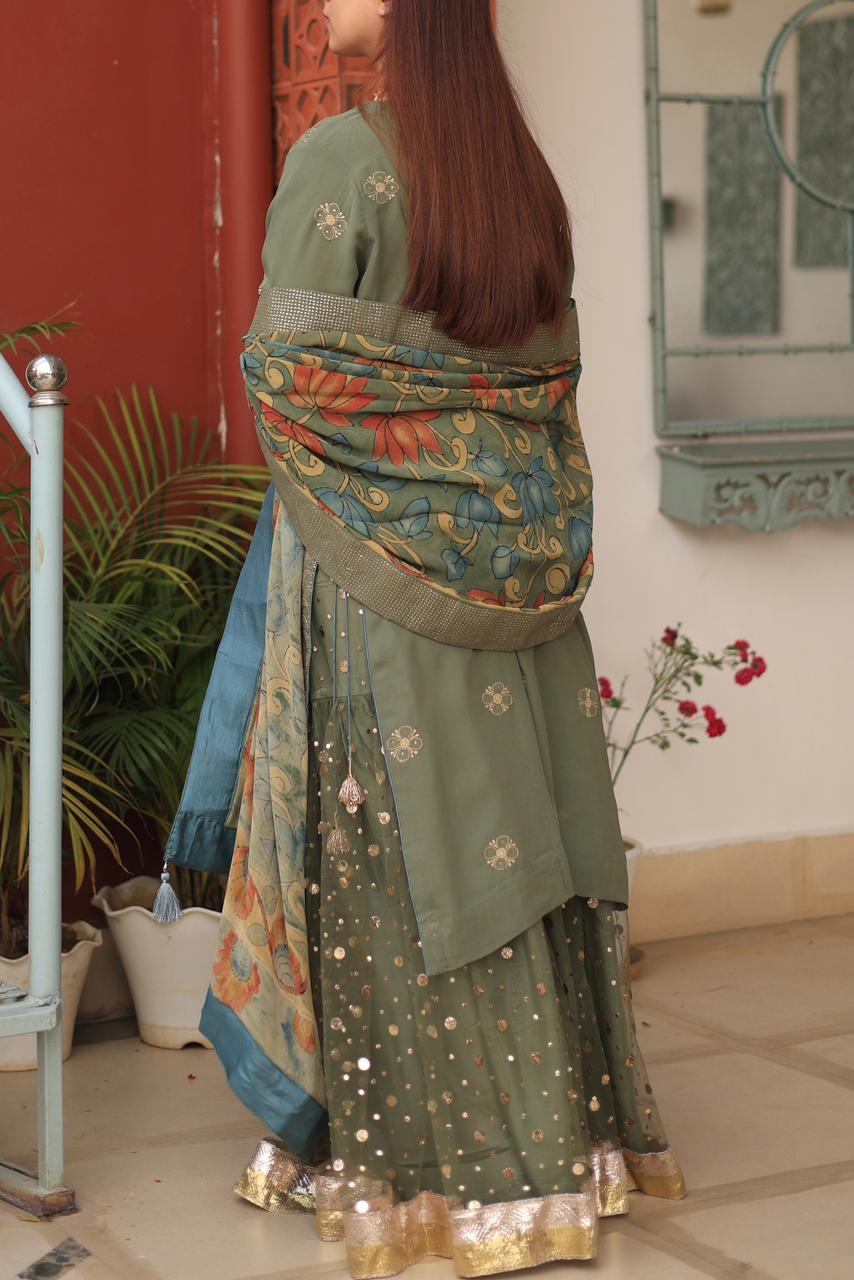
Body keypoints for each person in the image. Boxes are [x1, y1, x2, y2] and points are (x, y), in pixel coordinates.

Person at [161, 1, 686, 1275]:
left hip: (375, 586)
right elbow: (526, 398)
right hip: (516, 590)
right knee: (506, 829)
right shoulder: (522, 178)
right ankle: (566, 1144)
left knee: (401, 847)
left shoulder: (342, 161)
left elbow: (288, 383)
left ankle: (407, 1165)